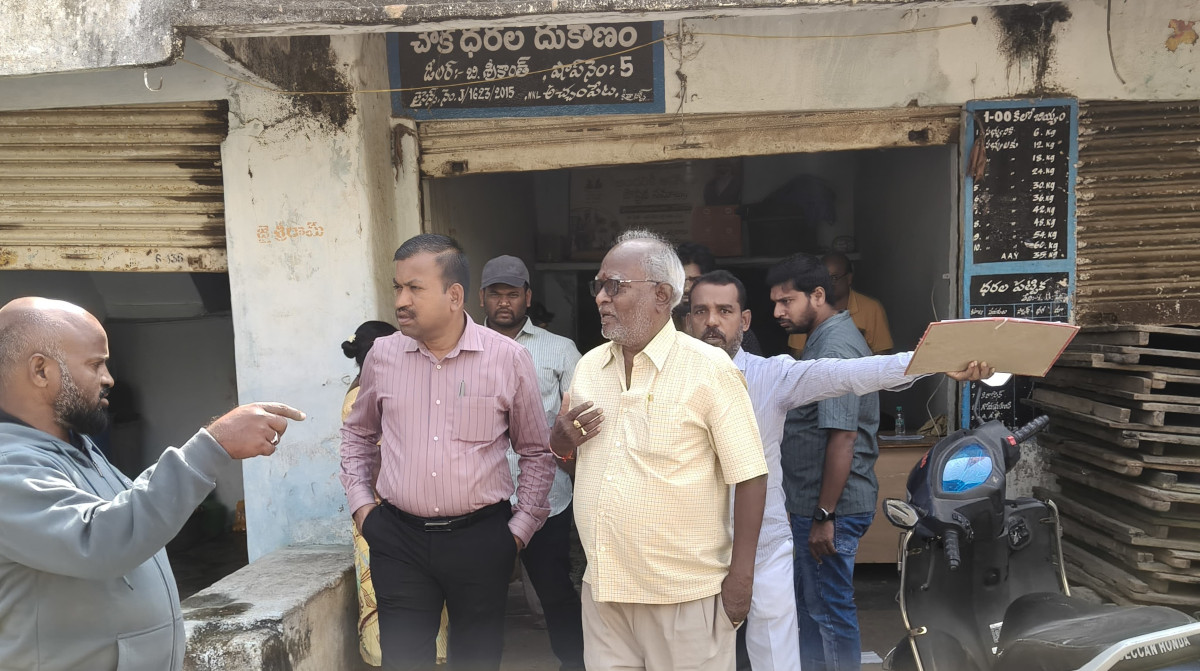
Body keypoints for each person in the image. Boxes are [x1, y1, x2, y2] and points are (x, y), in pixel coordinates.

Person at [685, 271, 990, 671]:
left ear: (743, 321)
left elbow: (849, 373)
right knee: (695, 655)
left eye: (724, 311)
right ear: (686, 321)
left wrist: (934, 362)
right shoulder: (666, 383)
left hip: (764, 539)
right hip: (690, 543)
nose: (711, 321)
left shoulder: (772, 376)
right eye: (701, 311)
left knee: (775, 656)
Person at [0, 297, 305, 671]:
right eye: (95, 364)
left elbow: (134, 517)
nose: (108, 378)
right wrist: (212, 446)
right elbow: (100, 540)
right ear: (40, 371)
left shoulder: (78, 449)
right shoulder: (9, 466)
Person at [550, 229, 768, 671]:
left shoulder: (709, 369)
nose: (601, 298)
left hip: (683, 596)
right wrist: (560, 444)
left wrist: (741, 578)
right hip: (605, 590)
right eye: (599, 286)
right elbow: (584, 465)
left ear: (662, 295)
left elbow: (750, 475)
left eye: (615, 286)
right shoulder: (590, 367)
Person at [339, 234, 555, 671]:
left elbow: (535, 451)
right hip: (397, 538)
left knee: (477, 660)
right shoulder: (382, 355)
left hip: (481, 540)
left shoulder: (507, 359)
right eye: (398, 287)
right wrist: (364, 510)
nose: (401, 300)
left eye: (414, 288)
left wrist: (518, 531)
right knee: (403, 661)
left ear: (454, 296)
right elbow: (357, 435)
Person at [771, 253, 881, 671]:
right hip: (813, 504)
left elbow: (843, 436)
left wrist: (824, 515)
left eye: (786, 301)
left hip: (830, 509)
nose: (778, 312)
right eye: (775, 303)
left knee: (830, 612)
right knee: (813, 609)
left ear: (818, 295)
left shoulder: (834, 348)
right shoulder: (821, 340)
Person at [480, 255, 585, 671]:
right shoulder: (463, 347)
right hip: (481, 498)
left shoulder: (560, 349)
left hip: (546, 497)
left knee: (555, 589)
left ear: (527, 296)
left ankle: (575, 664)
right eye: (495, 294)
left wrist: (570, 463)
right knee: (480, 598)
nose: (503, 302)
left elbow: (580, 419)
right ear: (481, 298)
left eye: (512, 294)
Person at [340, 320, 398, 667]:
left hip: (389, 509)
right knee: (381, 592)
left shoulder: (374, 388)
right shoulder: (360, 396)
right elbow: (371, 462)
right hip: (377, 510)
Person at [789, 252, 893, 356]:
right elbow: (797, 356)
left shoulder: (871, 308)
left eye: (833, 278)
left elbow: (882, 356)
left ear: (849, 278)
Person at [675, 242, 762, 355]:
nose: (686, 288)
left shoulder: (738, 333)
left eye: (694, 280)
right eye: (680, 280)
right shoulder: (662, 327)